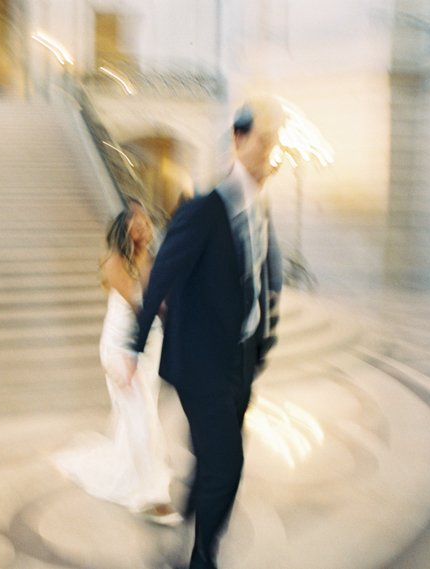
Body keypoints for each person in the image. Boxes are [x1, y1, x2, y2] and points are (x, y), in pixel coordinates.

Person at [124, 97, 285, 569]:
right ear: (237, 140)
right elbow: (164, 273)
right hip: (200, 363)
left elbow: (259, 278)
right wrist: (133, 345)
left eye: (274, 144)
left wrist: (263, 340)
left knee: (215, 450)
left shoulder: (260, 210)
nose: (269, 152)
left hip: (240, 360)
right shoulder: (204, 210)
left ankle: (192, 505)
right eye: (262, 141)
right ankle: (202, 558)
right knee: (227, 465)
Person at [53, 200, 181, 526]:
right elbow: (143, 307)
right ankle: (150, 496)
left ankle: (136, 471)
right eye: (135, 221)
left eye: (145, 221)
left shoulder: (149, 259)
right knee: (141, 416)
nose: (142, 226)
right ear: (123, 228)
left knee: (141, 414)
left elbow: (163, 302)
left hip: (149, 348)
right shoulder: (115, 261)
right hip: (122, 349)